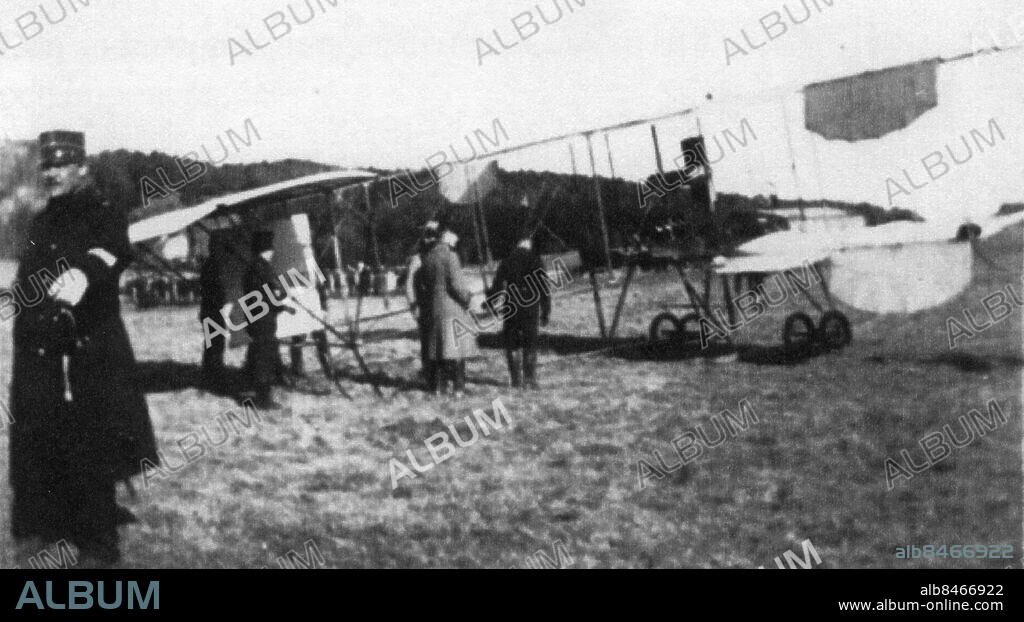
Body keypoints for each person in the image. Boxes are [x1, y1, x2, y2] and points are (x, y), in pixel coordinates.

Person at [8, 130, 158, 566]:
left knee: (94, 443)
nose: (51, 173)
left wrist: (85, 274)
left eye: (60, 165)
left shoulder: (104, 210)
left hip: (90, 348)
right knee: (40, 439)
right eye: (46, 167)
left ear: (82, 168)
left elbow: (114, 250)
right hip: (41, 350)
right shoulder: (42, 219)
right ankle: (39, 527)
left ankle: (98, 544)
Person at [417, 226, 479, 396]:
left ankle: (439, 388)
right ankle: (459, 388)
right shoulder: (451, 257)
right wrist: (467, 298)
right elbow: (456, 285)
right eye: (454, 242)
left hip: (434, 310)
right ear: (448, 241)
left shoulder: (427, 258)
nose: (455, 245)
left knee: (439, 350)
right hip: (452, 310)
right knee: (457, 350)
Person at [488, 232, 551, 389]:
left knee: (512, 342)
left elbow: (497, 285)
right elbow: (544, 288)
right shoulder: (535, 259)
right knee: (530, 342)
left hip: (512, 302)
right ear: (528, 243)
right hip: (530, 303)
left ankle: (515, 379)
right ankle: (529, 378)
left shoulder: (507, 259)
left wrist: (491, 303)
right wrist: (546, 310)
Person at [243, 230, 292, 409]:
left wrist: (280, 306)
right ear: (267, 250)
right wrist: (280, 304)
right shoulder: (261, 269)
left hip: (257, 318)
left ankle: (251, 384)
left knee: (258, 352)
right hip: (262, 320)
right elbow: (265, 297)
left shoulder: (255, 268)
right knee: (264, 356)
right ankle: (263, 399)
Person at [406, 221, 439, 387]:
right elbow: (409, 285)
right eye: (427, 235)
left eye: (432, 235)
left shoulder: (440, 255)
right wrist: (413, 305)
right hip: (424, 306)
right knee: (427, 343)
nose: (429, 239)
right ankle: (430, 376)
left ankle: (440, 376)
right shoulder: (417, 259)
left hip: (438, 306)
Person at [198, 247, 229, 389]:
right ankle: (214, 373)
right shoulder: (213, 266)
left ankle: (209, 371)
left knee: (211, 343)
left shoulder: (208, 265)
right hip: (213, 311)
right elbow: (217, 290)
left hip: (208, 310)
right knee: (216, 343)